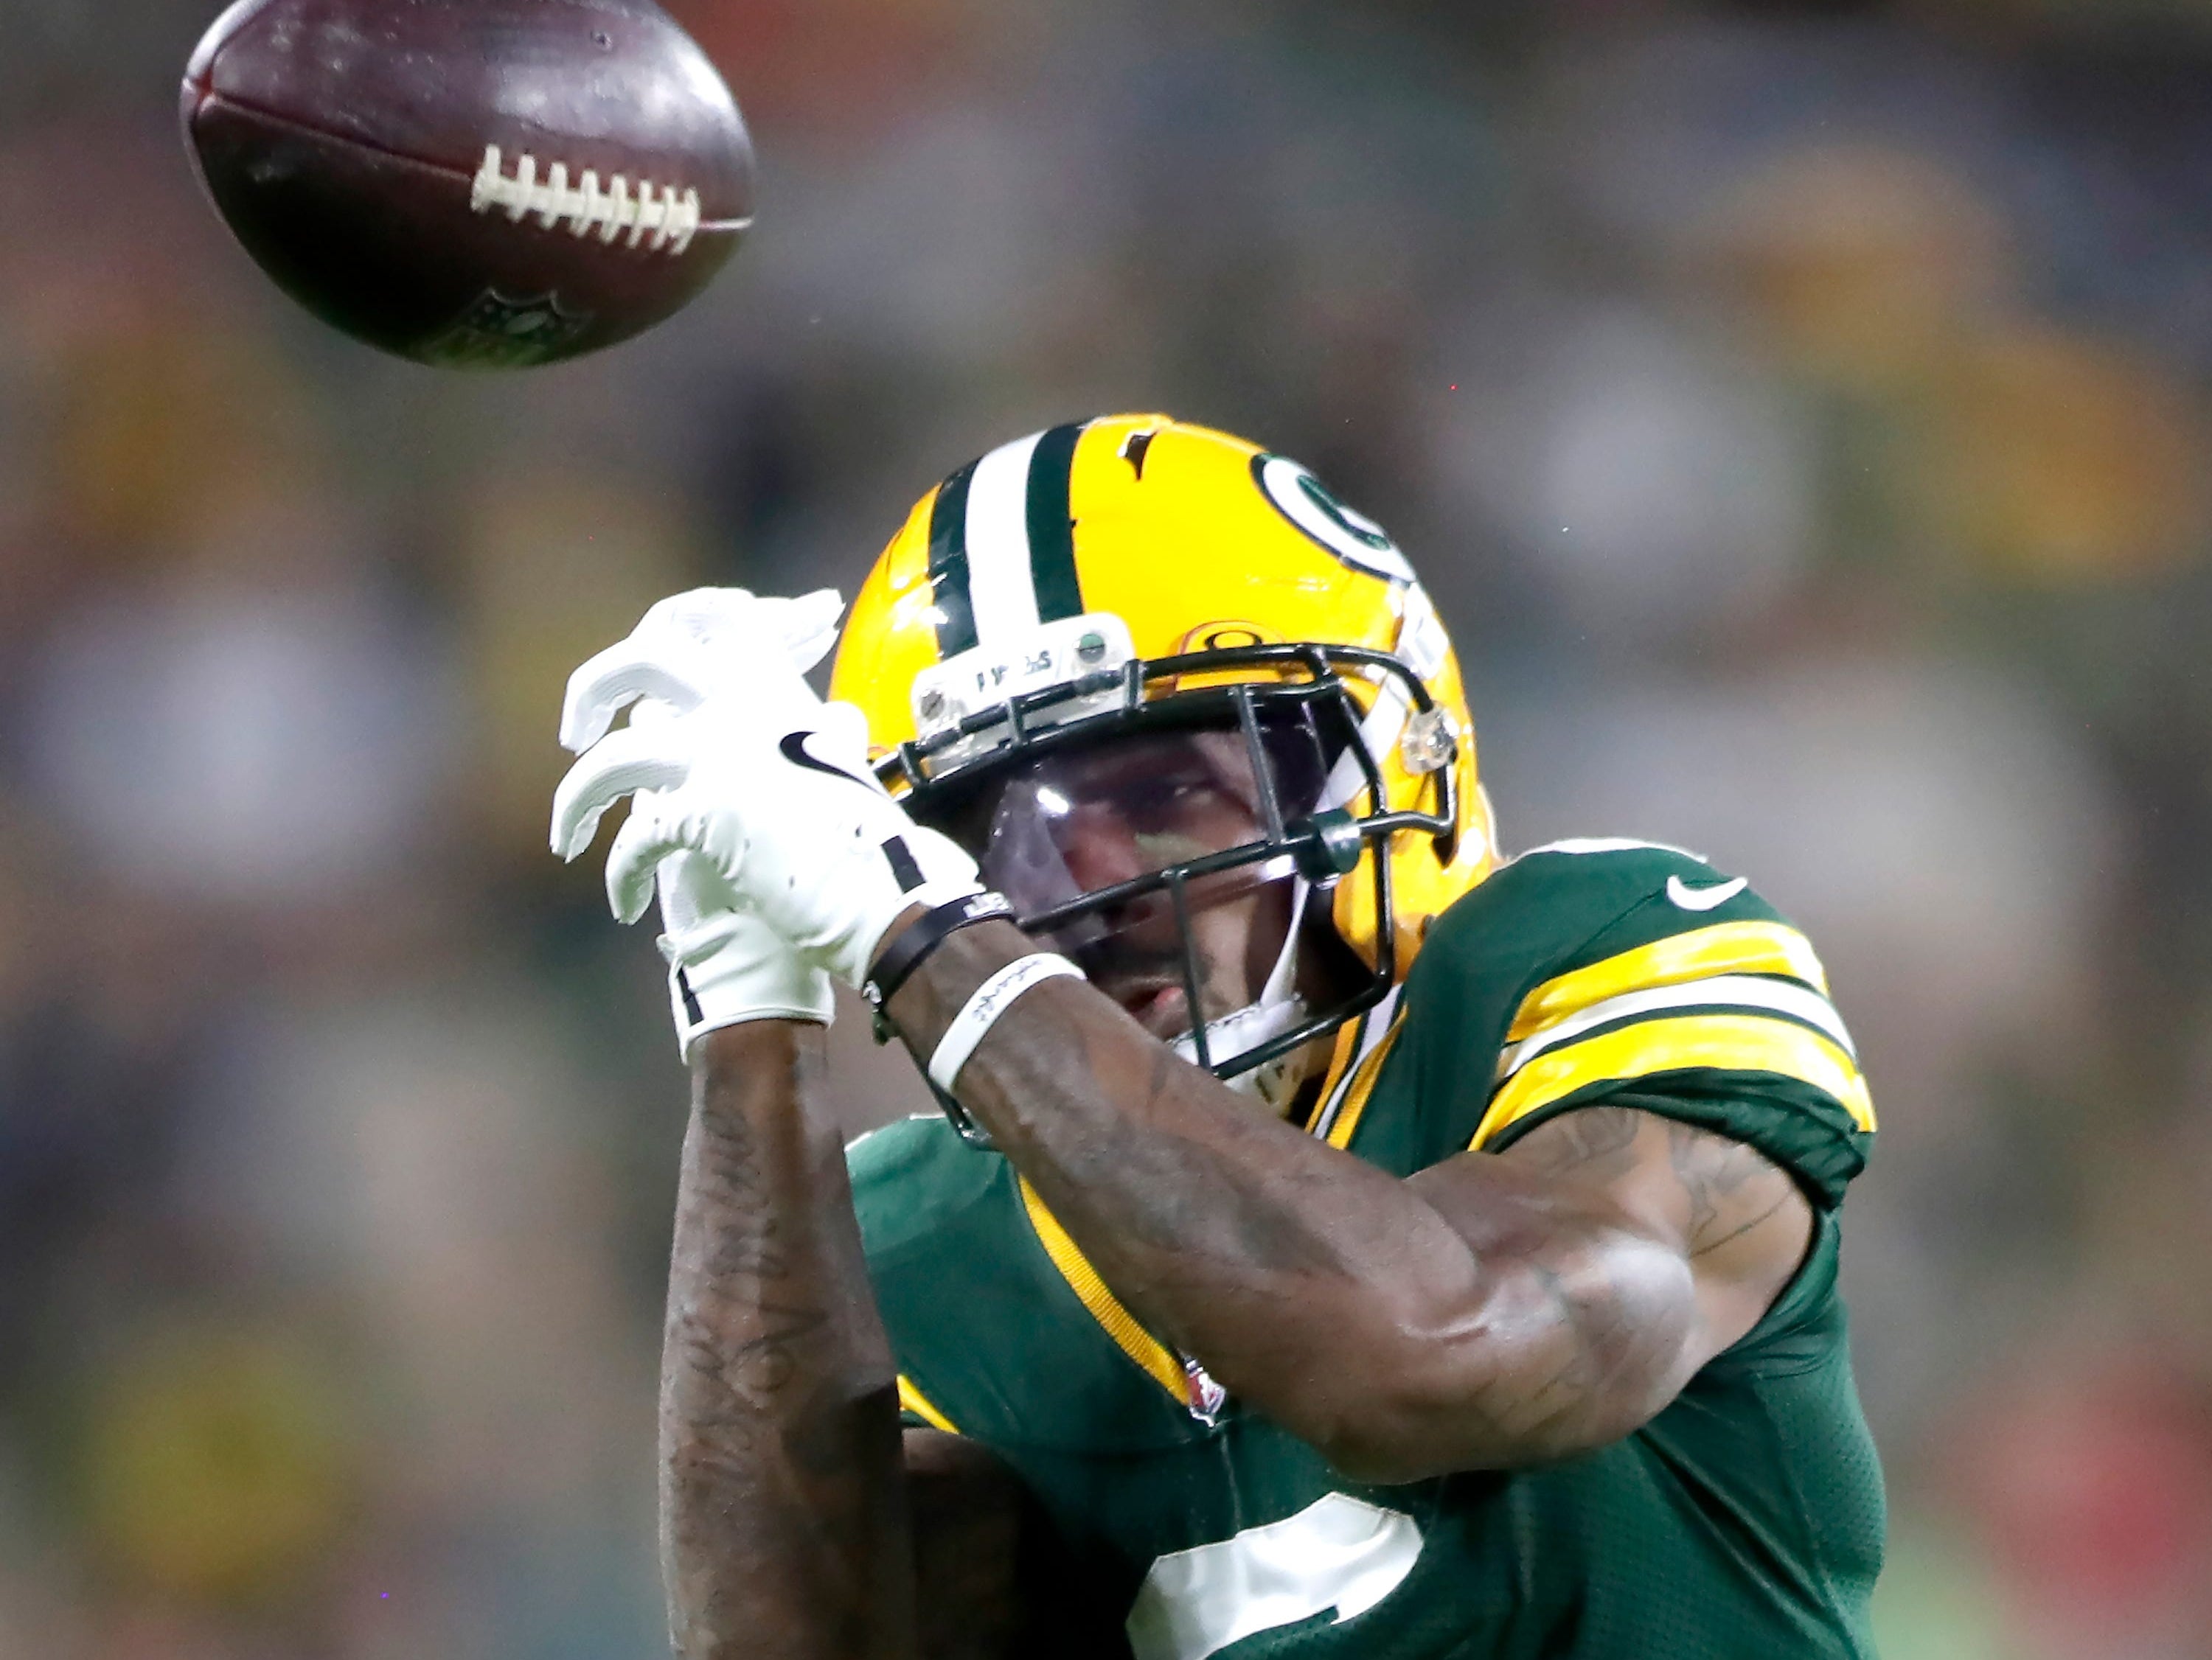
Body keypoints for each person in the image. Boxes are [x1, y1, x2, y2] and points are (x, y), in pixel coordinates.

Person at [551, 414, 1884, 1659]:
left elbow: (1427, 1353)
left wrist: (919, 930)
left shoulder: (1585, 959)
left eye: (1164, 792)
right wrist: (750, 1025)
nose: (1077, 897)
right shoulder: (923, 1239)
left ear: (1391, 761)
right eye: (984, 843)